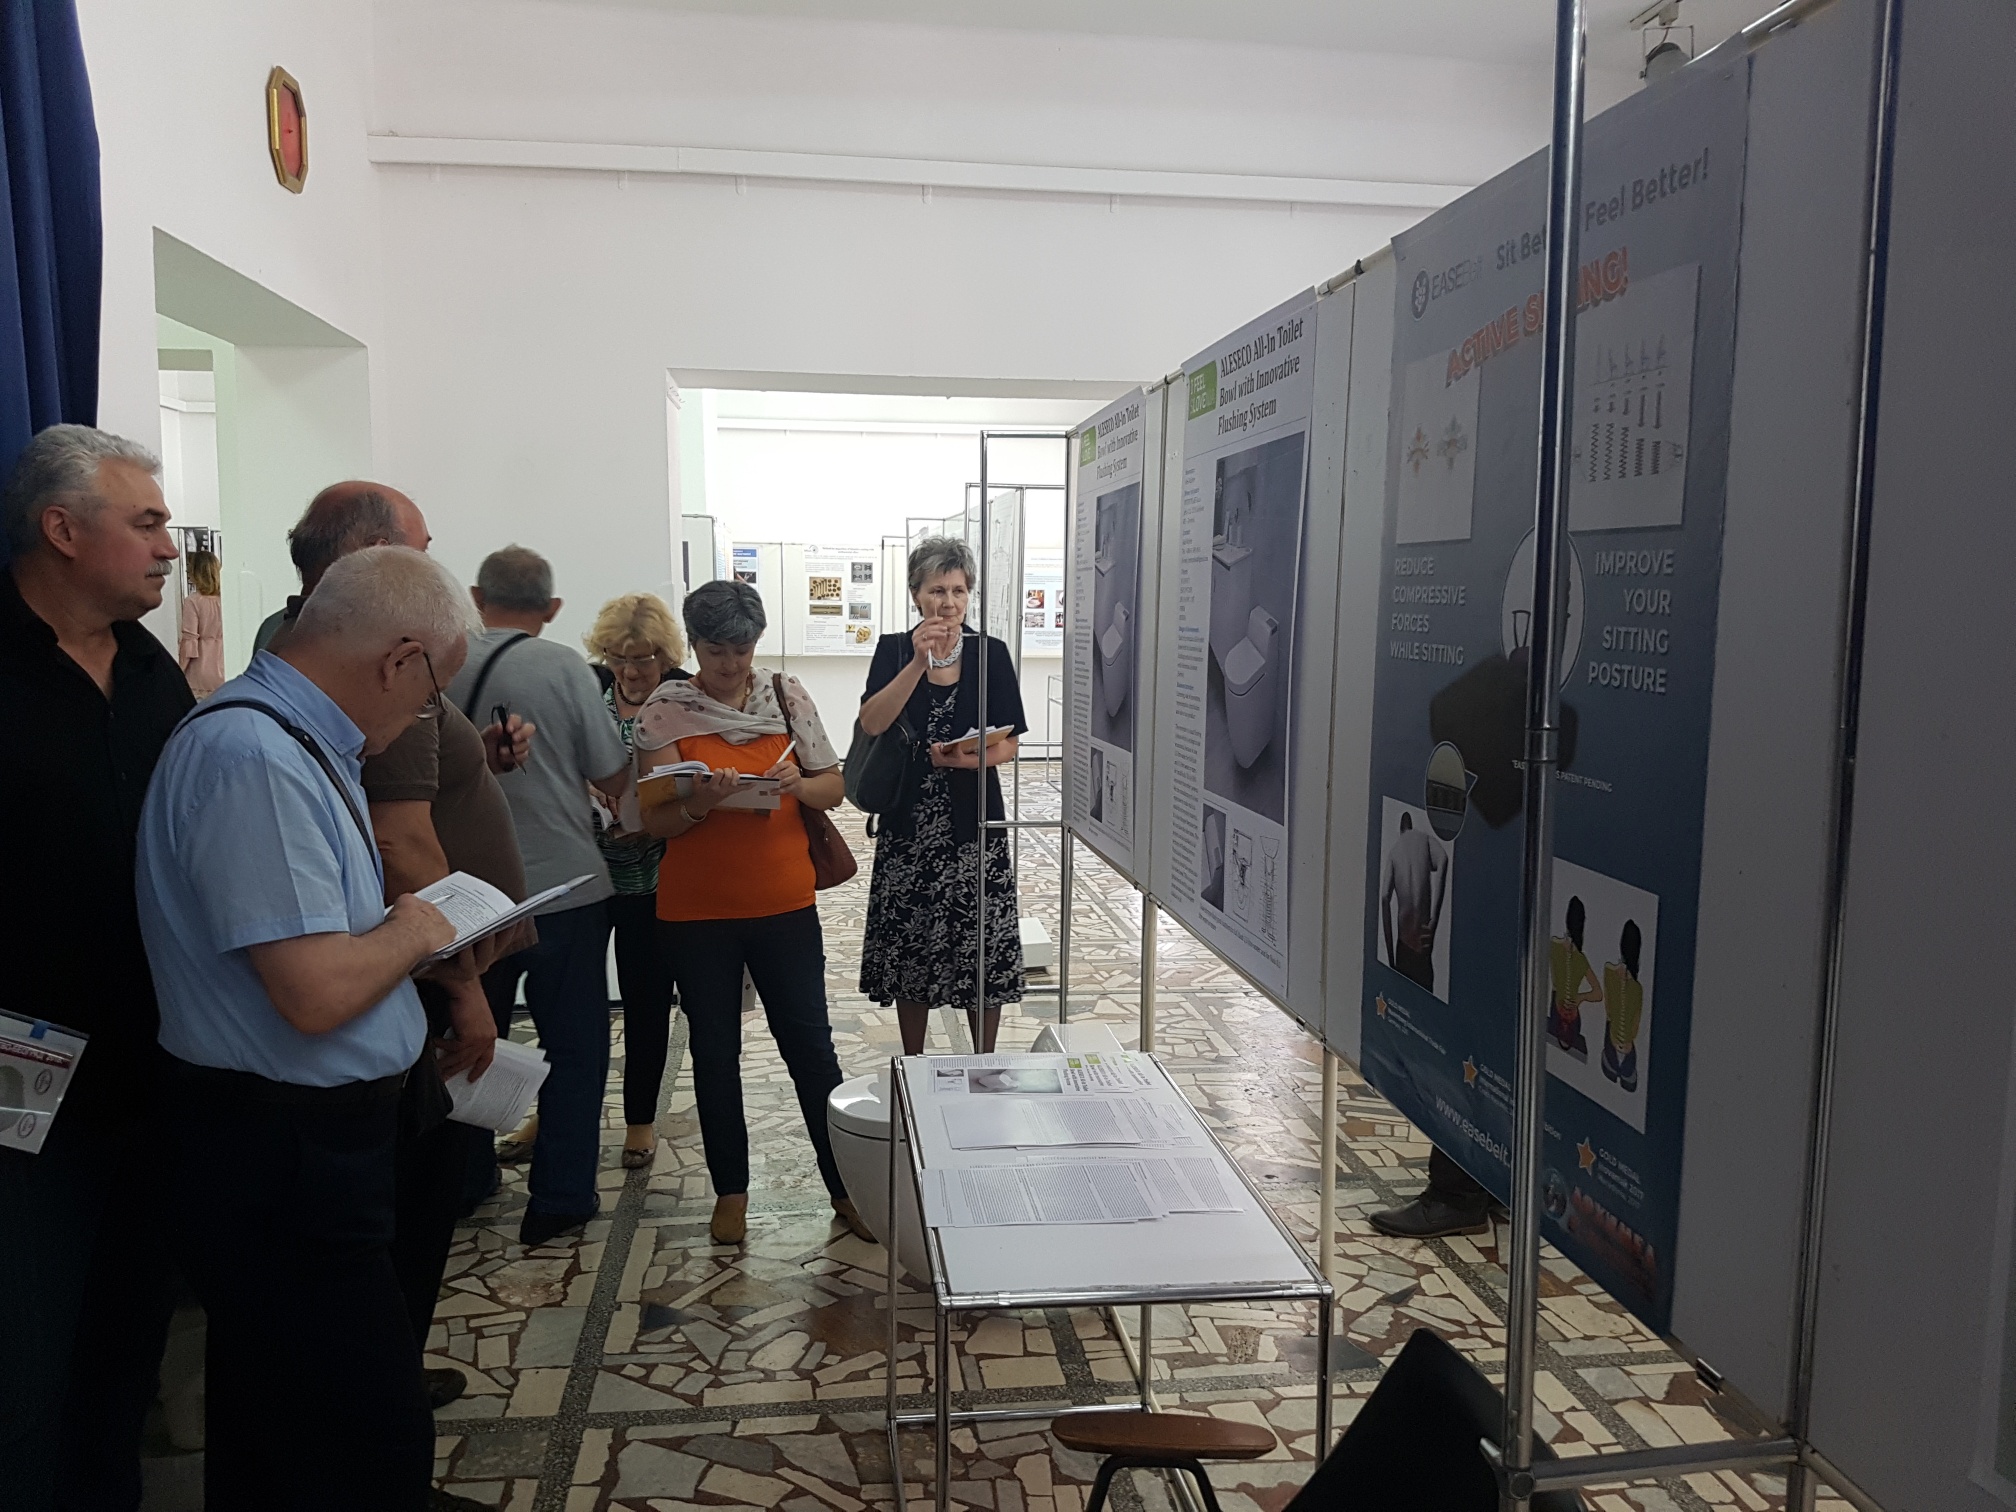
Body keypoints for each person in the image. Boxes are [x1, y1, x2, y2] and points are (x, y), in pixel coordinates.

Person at [136, 546, 476, 1512]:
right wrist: (416, 928)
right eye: (430, 694)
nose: (423, 715)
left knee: (287, 1421)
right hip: (279, 1149)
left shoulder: (290, 738)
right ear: (399, 659)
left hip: (295, 1141)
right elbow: (316, 992)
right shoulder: (253, 757)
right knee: (357, 1434)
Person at [273, 480, 534, 1422]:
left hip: (414, 965)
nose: (435, 563)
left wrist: (480, 764)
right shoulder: (368, 679)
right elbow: (401, 841)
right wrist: (465, 982)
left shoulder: (315, 657)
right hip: (419, 972)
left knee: (402, 1207)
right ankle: (382, 1398)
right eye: (419, 549)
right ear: (370, 564)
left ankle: (381, 1381)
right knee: (409, 1207)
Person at [0, 426, 193, 1512]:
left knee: (124, 1348)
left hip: (150, 1067)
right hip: (16, 1075)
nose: (169, 546)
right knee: (25, 1363)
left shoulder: (155, 672)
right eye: (148, 522)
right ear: (62, 530)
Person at [632, 579, 866, 1246]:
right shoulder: (665, 711)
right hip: (696, 914)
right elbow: (654, 820)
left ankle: (845, 1188)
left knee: (811, 1050)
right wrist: (701, 803)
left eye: (741, 649)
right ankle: (730, 1192)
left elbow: (834, 786)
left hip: (784, 905)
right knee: (714, 1053)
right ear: (693, 645)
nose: (730, 664)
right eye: (715, 650)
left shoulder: (785, 697)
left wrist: (799, 785)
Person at [447, 545, 630, 1246]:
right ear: (552, 608)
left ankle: (465, 1179)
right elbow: (611, 772)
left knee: (469, 1039)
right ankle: (560, 1196)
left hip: (466, 897)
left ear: (475, 596)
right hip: (564, 890)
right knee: (575, 1049)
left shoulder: (441, 660)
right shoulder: (563, 667)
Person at [856, 536, 1028, 1056]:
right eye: (936, 590)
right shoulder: (893, 650)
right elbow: (872, 722)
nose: (948, 603)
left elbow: (1010, 743)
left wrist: (965, 759)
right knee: (912, 942)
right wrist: (917, 662)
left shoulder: (990, 653)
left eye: (958, 590)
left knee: (981, 943)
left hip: (974, 824)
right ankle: (913, 1059)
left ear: (969, 594)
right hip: (908, 824)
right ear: (916, 594)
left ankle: (983, 1059)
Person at [584, 592, 690, 1170]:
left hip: (655, 875)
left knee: (646, 1001)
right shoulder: (587, 690)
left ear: (665, 655)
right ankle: (554, 1109)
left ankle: (639, 1121)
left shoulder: (685, 698)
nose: (629, 671)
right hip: (588, 870)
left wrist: (653, 819)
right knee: (573, 1003)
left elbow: (694, 783)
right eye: (618, 658)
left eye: (642, 659)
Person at [1380, 810, 1448, 992]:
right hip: (1422, 943)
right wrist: (1434, 919)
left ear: (1400, 830)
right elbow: (1443, 859)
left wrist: (1390, 956)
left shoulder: (1394, 852)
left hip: (1404, 945)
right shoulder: (1424, 840)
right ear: (1411, 826)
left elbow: (1385, 897)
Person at [1548, 894, 1601, 1061]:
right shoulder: (1556, 947)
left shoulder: (1579, 959)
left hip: (1566, 1000)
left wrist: (1580, 998)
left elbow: (1598, 993)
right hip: (1559, 999)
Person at [1602, 919, 1644, 1092]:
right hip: (1616, 1039)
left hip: (1622, 1041)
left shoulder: (1634, 988)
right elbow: (1611, 1007)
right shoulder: (1614, 976)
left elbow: (1634, 1019)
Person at [178, 546, 225, 697]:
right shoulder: (226, 600)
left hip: (201, 670)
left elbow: (190, 641)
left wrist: (179, 671)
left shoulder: (193, 601)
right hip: (225, 666)